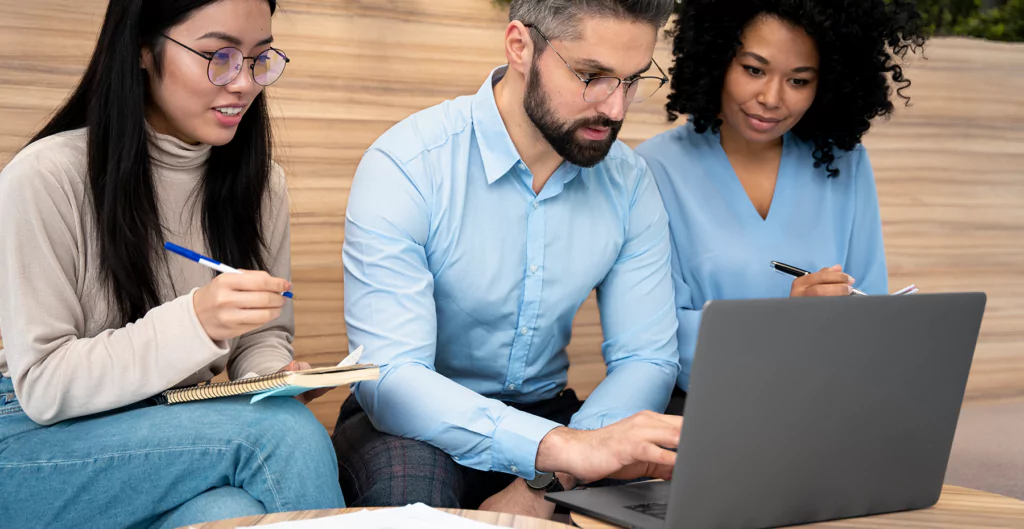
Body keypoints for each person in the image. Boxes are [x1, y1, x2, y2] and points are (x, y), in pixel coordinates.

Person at [332, 0, 682, 518]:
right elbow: (392, 377)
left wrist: (552, 474)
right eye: (592, 76)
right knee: (407, 494)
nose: (615, 109)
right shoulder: (407, 165)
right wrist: (564, 452)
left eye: (632, 81)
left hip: (553, 413)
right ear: (521, 46)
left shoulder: (630, 184)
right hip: (414, 418)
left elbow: (647, 359)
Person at [0, 1, 344, 527]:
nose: (244, 83)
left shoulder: (260, 185)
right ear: (143, 49)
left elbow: (263, 334)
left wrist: (269, 375)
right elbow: (44, 386)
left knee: (229, 511)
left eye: (259, 58)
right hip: (30, 440)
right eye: (218, 56)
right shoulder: (45, 177)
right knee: (284, 434)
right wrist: (195, 321)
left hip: (161, 429)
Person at [634, 0, 928, 412]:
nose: (771, 98)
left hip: (828, 402)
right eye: (753, 70)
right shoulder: (653, 169)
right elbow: (658, 338)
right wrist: (784, 328)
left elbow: (871, 310)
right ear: (718, 58)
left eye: (799, 80)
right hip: (710, 409)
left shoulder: (846, 162)